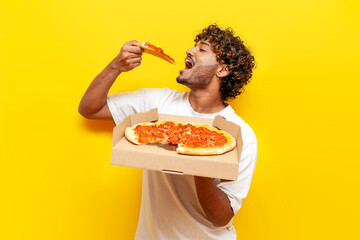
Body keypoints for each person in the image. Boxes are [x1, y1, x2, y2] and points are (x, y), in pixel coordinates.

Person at [79, 24, 257, 240]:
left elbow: (221, 218)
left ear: (223, 69)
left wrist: (199, 157)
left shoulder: (241, 134)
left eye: (202, 49)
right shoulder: (158, 103)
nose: (189, 51)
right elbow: (89, 109)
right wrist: (116, 66)